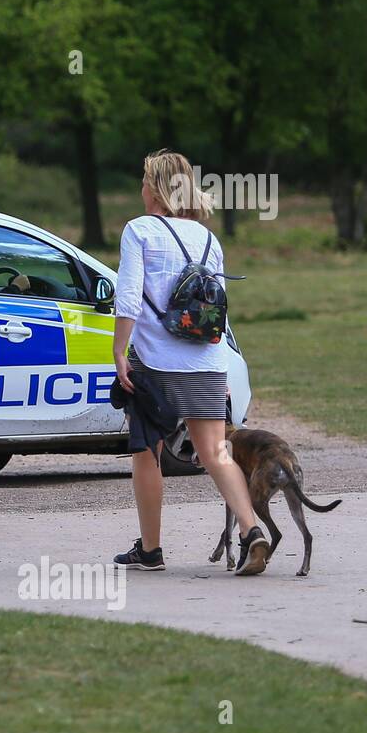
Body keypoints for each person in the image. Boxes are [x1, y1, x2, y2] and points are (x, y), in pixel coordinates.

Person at [112, 150, 270, 575]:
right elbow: (215, 309)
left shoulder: (139, 230)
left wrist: (119, 352)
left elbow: (128, 296)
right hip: (205, 360)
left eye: (144, 181)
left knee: (148, 454)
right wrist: (222, 372)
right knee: (217, 452)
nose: (141, 189)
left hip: (154, 364)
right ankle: (251, 530)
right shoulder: (207, 238)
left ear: (155, 187)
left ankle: (151, 550)